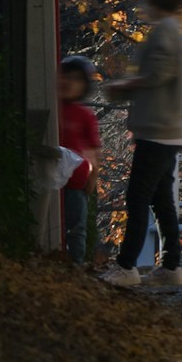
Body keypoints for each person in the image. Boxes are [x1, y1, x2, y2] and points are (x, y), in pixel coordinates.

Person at [102, 0, 182, 290]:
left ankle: (127, 266)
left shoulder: (164, 32)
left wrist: (124, 86)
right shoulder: (173, 30)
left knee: (137, 197)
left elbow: (158, 73)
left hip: (158, 130)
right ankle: (170, 267)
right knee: (160, 198)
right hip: (169, 130)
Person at [56, 56, 101, 265]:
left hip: (75, 181)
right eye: (65, 76)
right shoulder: (53, 108)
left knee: (76, 226)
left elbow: (93, 150)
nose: (68, 82)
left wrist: (93, 176)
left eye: (75, 79)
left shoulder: (85, 115)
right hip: (52, 176)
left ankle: (76, 264)